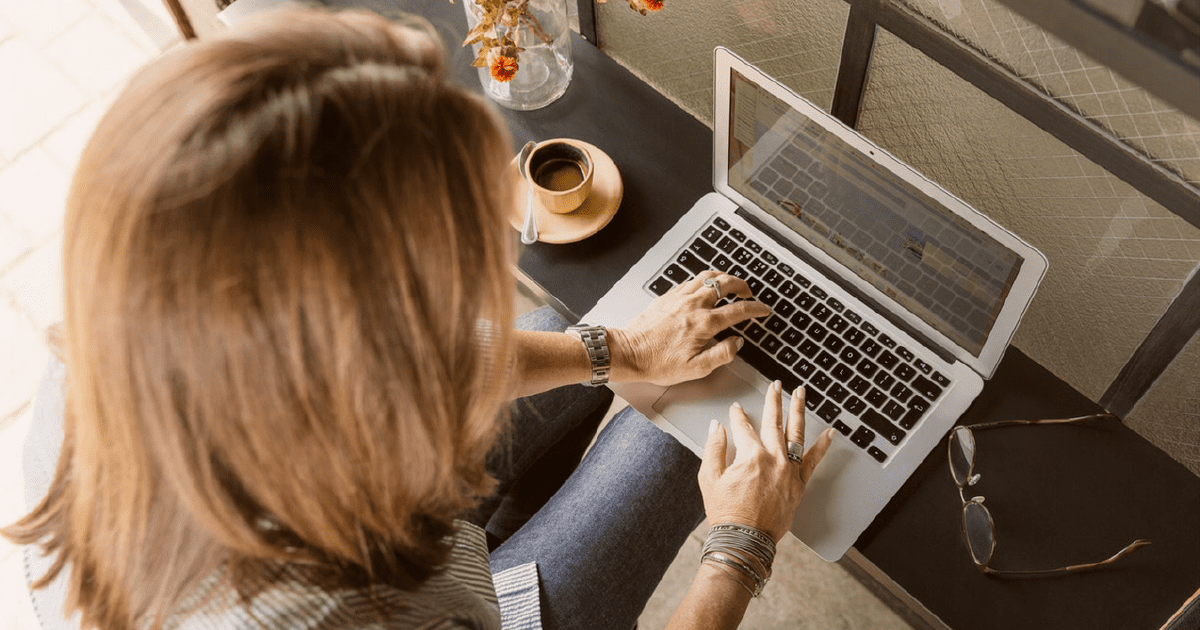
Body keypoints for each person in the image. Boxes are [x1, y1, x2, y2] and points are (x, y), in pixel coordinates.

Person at [4, 7, 834, 630]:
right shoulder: (322, 617)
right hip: (450, 611)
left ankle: (522, 515)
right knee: (687, 431)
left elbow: (416, 356)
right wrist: (738, 550)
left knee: (622, 340)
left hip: (412, 556)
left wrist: (618, 348)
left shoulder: (128, 317)